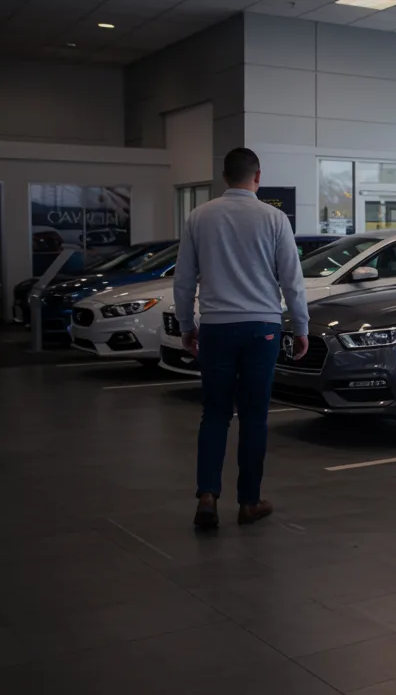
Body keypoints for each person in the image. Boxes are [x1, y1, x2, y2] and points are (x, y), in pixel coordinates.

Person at [174, 147, 310, 529]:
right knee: (254, 417)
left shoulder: (199, 217)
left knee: (214, 414)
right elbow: (292, 280)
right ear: (258, 176)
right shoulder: (274, 218)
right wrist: (300, 327)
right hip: (261, 329)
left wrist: (187, 325)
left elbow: (184, 279)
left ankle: (206, 495)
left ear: (224, 176)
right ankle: (249, 502)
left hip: (216, 328)